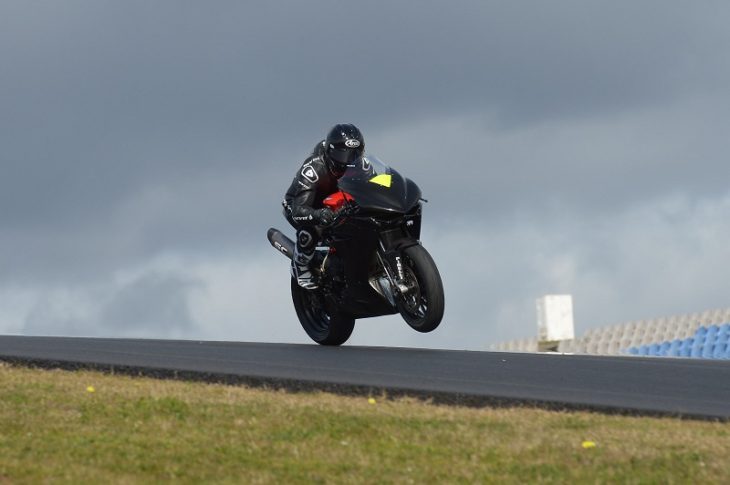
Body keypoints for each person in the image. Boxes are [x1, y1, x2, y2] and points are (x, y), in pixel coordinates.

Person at [283, 123, 365, 289]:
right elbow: (298, 210)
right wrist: (318, 214)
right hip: (302, 204)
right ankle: (300, 266)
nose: (349, 161)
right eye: (343, 155)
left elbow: (377, 183)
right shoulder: (313, 169)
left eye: (355, 154)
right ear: (330, 152)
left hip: (337, 200)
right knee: (311, 230)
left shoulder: (360, 166)